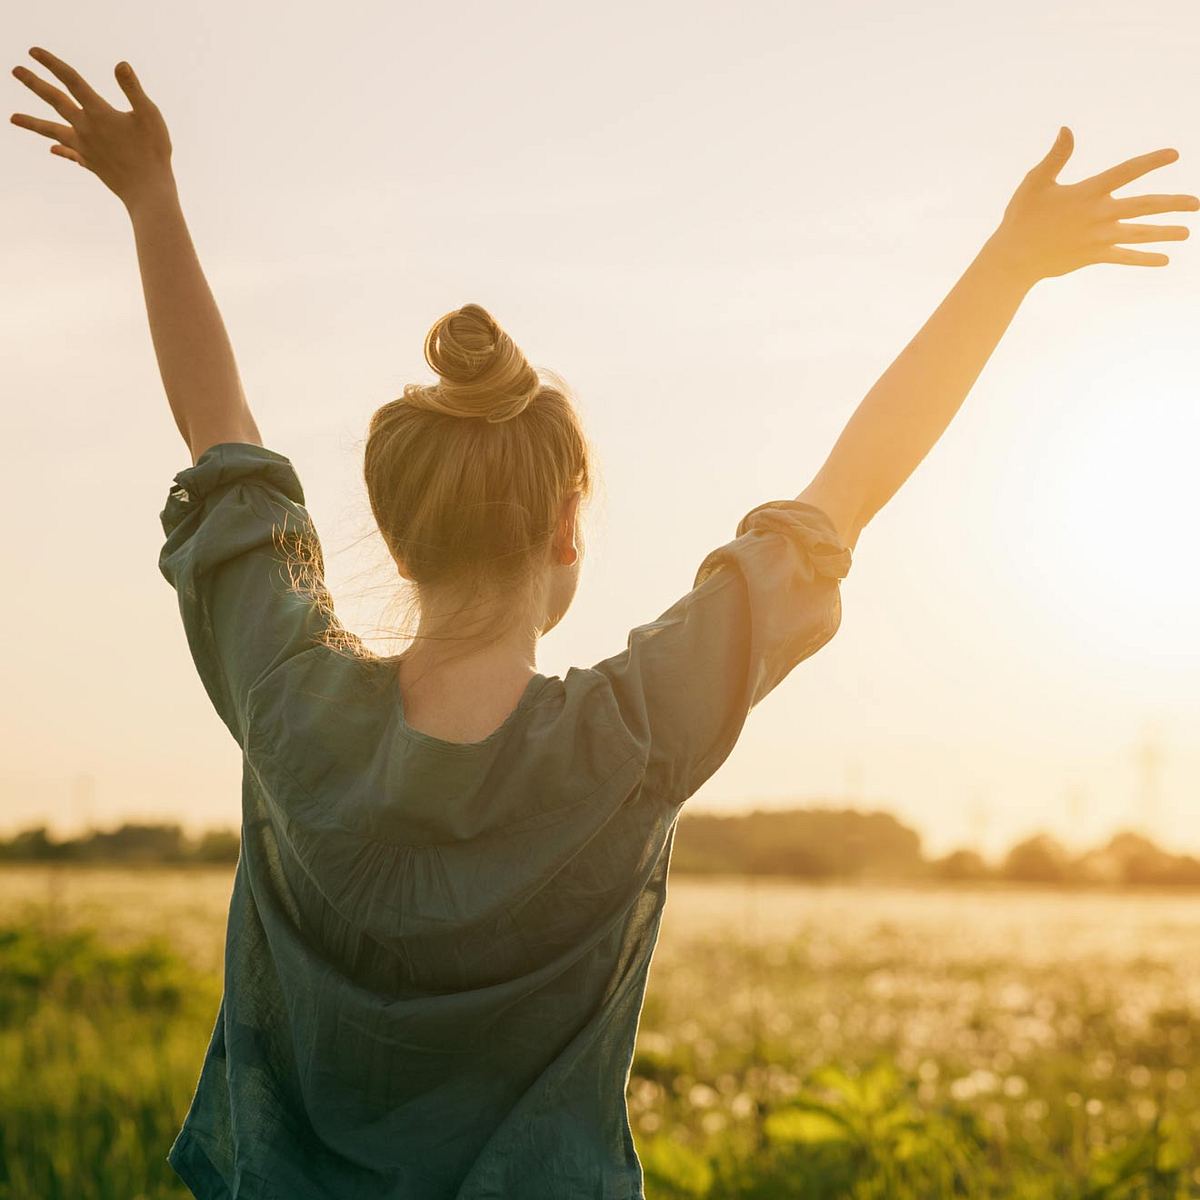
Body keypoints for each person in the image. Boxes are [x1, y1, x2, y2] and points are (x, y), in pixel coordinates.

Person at [10, 45, 1198, 1200]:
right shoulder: (630, 736)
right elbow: (845, 493)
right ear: (566, 534)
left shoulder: (285, 696)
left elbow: (222, 443)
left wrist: (150, 194)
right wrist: (1006, 267)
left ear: (397, 527)